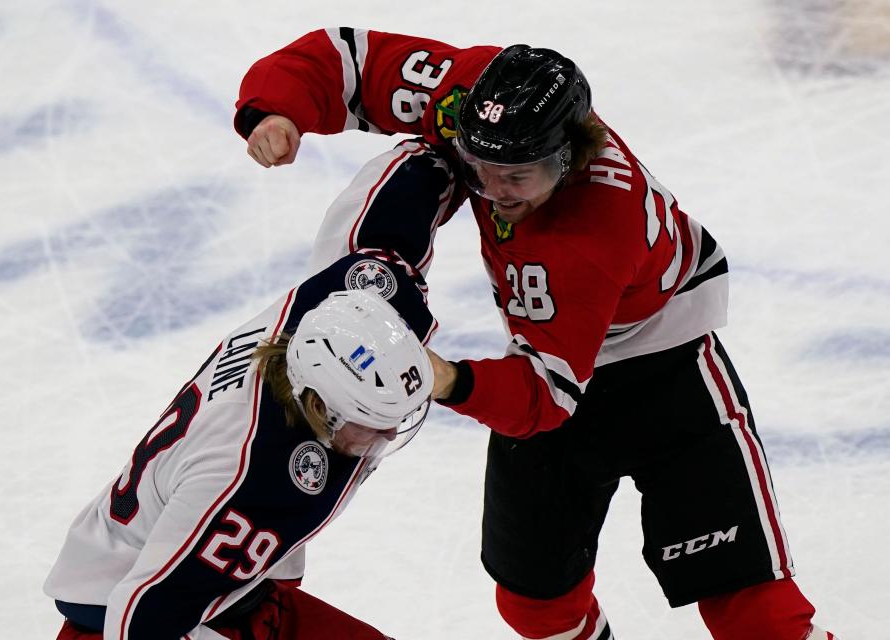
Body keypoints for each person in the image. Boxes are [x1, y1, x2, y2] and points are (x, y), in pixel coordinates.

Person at [232, 29, 840, 640]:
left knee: (756, 611)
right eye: (479, 167)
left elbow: (545, 399)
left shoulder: (594, 235)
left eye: (516, 177)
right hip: (546, 361)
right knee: (535, 606)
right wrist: (276, 109)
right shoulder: (468, 98)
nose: (493, 193)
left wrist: (447, 378)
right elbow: (351, 61)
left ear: (569, 158)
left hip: (668, 375)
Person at [43, 252, 438, 640]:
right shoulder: (248, 477)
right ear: (321, 407)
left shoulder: (315, 324)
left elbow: (377, 270)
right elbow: (141, 616)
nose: (388, 436)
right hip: (124, 613)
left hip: (218, 588)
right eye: (372, 422)